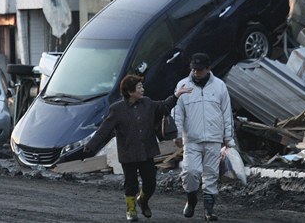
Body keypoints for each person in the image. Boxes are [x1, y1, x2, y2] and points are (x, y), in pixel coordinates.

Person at [84, 74, 192, 221]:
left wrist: (176, 95)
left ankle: (143, 200)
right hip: (128, 153)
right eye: (139, 87)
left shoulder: (147, 103)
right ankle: (131, 209)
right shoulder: (117, 109)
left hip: (147, 151)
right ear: (130, 91)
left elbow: (163, 106)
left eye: (142, 86)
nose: (143, 89)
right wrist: (91, 147)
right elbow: (104, 130)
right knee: (131, 184)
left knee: (150, 183)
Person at [172, 53, 236, 221]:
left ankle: (209, 210)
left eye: (199, 69)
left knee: (211, 174)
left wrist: (228, 138)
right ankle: (191, 199)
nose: (196, 72)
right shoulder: (183, 85)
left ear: (208, 68)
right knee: (191, 172)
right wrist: (177, 134)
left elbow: (226, 113)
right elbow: (177, 112)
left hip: (214, 138)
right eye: (193, 69)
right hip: (191, 138)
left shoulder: (220, 86)